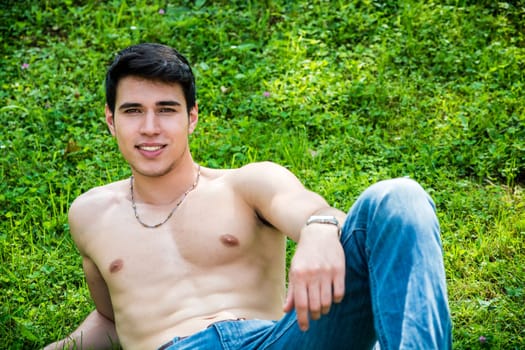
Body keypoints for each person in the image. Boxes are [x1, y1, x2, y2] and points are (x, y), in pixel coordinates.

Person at [44, 43, 452, 350]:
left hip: (274, 340)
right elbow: (109, 318)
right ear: (111, 121)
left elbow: (312, 210)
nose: (150, 127)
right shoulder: (90, 214)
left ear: (192, 118)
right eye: (133, 111)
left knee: (400, 196)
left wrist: (320, 229)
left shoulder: (246, 184)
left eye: (166, 109)